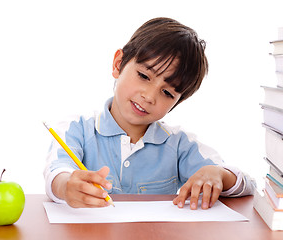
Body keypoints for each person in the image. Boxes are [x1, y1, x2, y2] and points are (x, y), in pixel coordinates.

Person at [44, 17, 255, 210]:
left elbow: (247, 184)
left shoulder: (180, 144)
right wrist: (65, 186)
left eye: (167, 92)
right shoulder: (76, 129)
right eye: (144, 76)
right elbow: (57, 173)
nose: (149, 96)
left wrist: (219, 175)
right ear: (119, 64)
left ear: (177, 102)